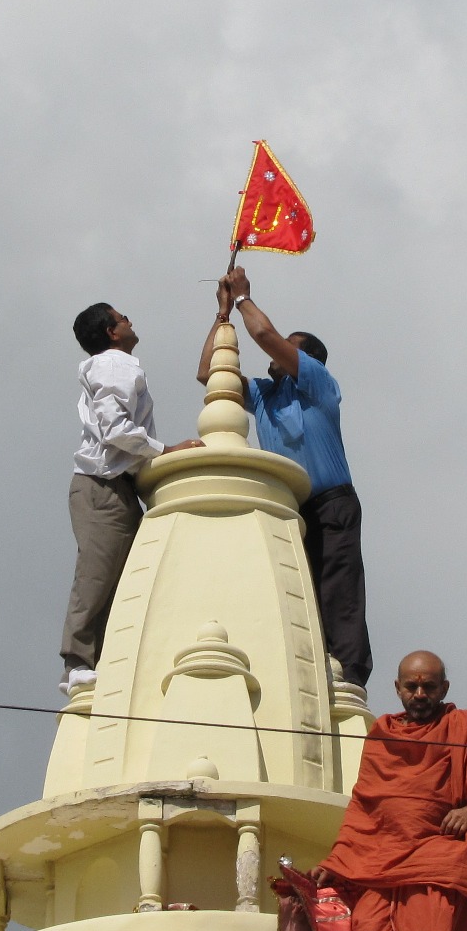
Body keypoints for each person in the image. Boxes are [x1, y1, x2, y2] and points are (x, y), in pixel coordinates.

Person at [198, 264, 371, 687]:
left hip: (332, 504)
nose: (276, 356)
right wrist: (222, 316)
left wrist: (242, 298)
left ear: (308, 359)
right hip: (291, 507)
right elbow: (209, 375)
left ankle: (349, 677)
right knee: (299, 593)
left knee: (339, 593)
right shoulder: (263, 395)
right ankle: (308, 674)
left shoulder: (319, 384)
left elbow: (264, 336)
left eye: (289, 350)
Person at [313, 652, 467, 931]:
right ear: (398, 688)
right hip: (382, 862)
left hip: (437, 861)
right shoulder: (382, 735)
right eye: (412, 687)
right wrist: (335, 861)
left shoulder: (466, 730)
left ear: (445, 688)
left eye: (430, 687)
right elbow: (365, 808)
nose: (420, 695)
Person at [60, 303, 200, 696]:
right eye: (123, 318)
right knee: (98, 573)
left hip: (111, 487)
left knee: (121, 578)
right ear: (111, 332)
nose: (130, 321)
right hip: (103, 485)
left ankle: (97, 660)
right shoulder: (116, 365)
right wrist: (165, 450)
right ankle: (78, 662)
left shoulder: (111, 366)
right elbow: (115, 428)